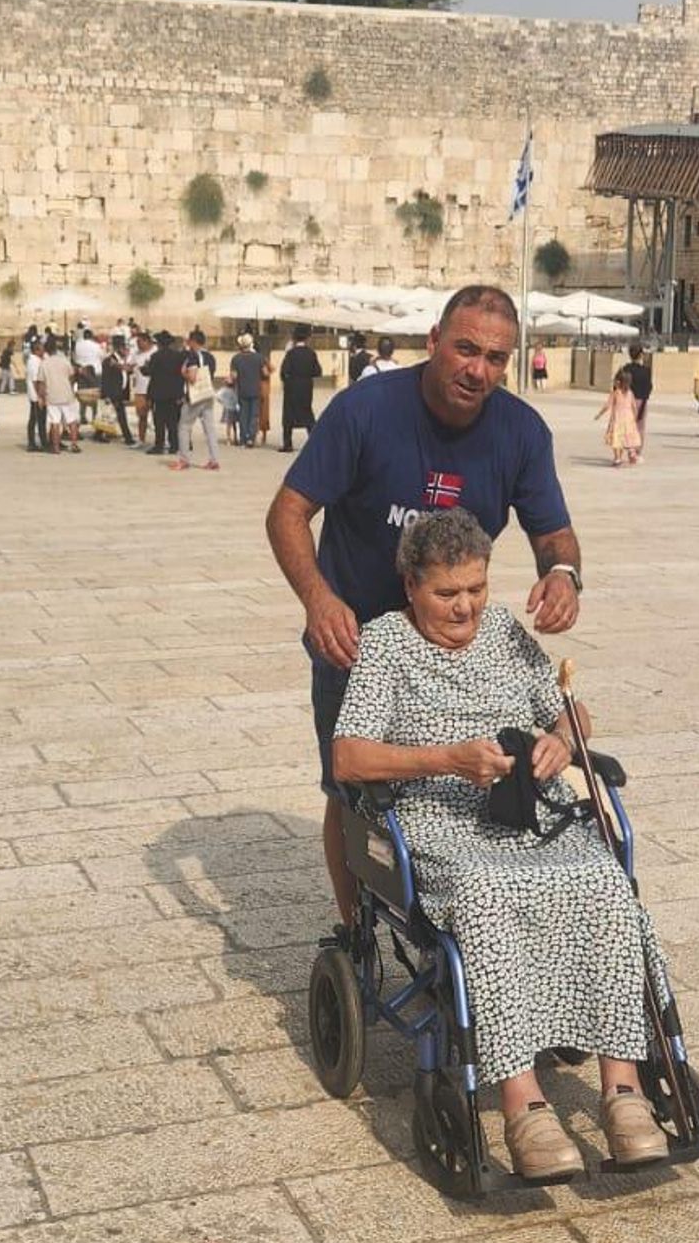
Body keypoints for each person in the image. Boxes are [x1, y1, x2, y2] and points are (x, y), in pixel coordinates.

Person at [332, 509, 667, 1176]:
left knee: (602, 879)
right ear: (411, 587)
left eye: (477, 590)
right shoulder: (386, 645)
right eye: (446, 594)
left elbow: (570, 710)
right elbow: (346, 758)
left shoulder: (506, 634)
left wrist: (562, 741)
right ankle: (524, 1106)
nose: (465, 608)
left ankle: (623, 1088)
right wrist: (447, 760)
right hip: (437, 821)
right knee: (489, 892)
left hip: (527, 812)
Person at [266, 283, 582, 928]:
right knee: (349, 786)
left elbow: (553, 532)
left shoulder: (521, 431)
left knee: (454, 778)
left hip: (452, 639)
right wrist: (319, 600)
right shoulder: (366, 411)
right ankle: (354, 929)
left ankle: (456, 910)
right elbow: (288, 512)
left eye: (496, 358)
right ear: (433, 342)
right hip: (355, 635)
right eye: (465, 349)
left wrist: (565, 573)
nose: (478, 370)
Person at [173, 328, 221, 470]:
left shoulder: (193, 357)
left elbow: (193, 378)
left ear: (193, 342)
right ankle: (214, 459)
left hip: (195, 396)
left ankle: (184, 459)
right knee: (210, 429)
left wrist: (184, 373)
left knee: (184, 427)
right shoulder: (211, 357)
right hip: (208, 394)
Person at [280, 328, 322, 451]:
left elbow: (283, 372)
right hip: (306, 387)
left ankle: (288, 445)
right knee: (307, 413)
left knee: (288, 415)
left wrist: (287, 381)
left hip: (292, 387)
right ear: (307, 339)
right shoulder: (311, 353)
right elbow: (318, 371)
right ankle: (315, 442)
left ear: (294, 339)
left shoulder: (290, 354)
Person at [146, 331, 187, 457]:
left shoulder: (155, 356)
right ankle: (174, 445)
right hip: (175, 393)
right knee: (173, 421)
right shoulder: (179, 356)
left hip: (159, 393)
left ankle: (159, 445)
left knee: (159, 421)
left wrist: (143, 368)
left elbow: (149, 372)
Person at [40, 335, 80, 452]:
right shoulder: (65, 361)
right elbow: (72, 377)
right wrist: (71, 388)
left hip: (52, 396)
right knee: (71, 421)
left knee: (55, 422)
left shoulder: (44, 364)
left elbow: (42, 383)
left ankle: (56, 447)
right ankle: (74, 444)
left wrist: (42, 397)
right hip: (67, 395)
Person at [595, 365, 641, 466]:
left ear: (619, 382)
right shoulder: (630, 393)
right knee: (627, 437)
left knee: (617, 440)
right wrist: (635, 417)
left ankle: (617, 458)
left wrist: (599, 414)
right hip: (628, 419)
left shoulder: (616, 393)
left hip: (617, 419)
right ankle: (631, 452)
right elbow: (634, 406)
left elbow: (608, 405)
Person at [100, 338, 135, 445]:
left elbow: (127, 371)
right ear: (119, 348)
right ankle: (128, 437)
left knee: (109, 415)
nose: (126, 351)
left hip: (121, 391)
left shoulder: (121, 360)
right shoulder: (109, 360)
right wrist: (106, 394)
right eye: (124, 348)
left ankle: (98, 433)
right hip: (113, 392)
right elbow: (106, 379)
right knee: (120, 415)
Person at [231, 333, 263, 447]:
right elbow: (265, 372)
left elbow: (233, 376)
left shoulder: (236, 358)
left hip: (242, 389)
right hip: (255, 389)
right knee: (254, 414)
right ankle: (251, 437)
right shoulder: (259, 357)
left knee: (243, 414)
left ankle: (243, 437)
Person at [621, 341, 652, 444]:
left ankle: (629, 449)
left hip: (627, 400)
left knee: (628, 426)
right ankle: (637, 451)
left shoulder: (626, 369)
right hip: (641, 400)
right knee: (640, 427)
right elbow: (649, 387)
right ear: (641, 355)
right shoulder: (646, 371)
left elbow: (618, 385)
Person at [24, 338, 46, 452]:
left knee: (36, 418)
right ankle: (36, 442)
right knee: (38, 419)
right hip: (35, 395)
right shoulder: (34, 362)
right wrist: (40, 397)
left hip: (36, 394)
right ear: (37, 350)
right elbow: (35, 380)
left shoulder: (37, 360)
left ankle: (35, 442)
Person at [257, 345, 274, 446]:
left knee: (259, 412)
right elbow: (272, 369)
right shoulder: (263, 359)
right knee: (263, 412)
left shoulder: (262, 360)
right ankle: (263, 435)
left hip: (260, 387)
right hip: (263, 388)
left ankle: (260, 434)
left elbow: (270, 370)